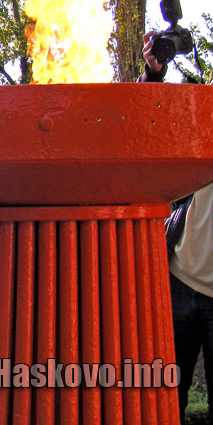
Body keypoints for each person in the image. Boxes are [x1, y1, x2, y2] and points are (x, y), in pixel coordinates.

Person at [140, 30, 213, 424]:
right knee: (164, 399)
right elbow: (151, 122)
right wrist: (154, 74)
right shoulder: (202, 115)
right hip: (180, 282)